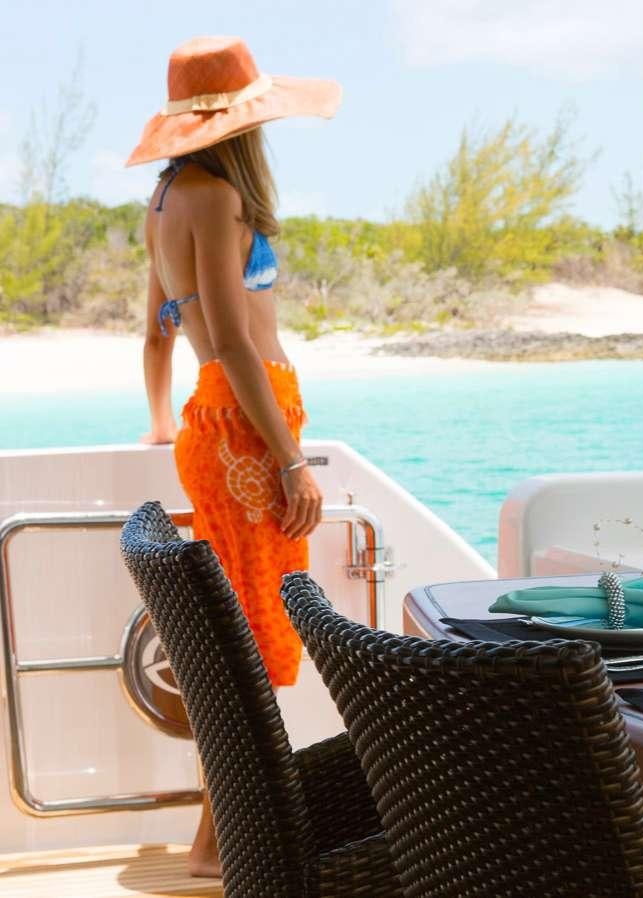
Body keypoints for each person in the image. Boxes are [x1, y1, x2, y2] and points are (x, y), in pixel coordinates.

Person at [127, 35, 339, 878]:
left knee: (238, 635)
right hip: (249, 429)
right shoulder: (216, 194)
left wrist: (158, 422)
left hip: (212, 425)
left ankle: (218, 839)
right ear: (243, 120)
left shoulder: (164, 197)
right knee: (253, 636)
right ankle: (228, 846)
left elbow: (157, 331)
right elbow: (232, 341)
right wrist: (290, 458)